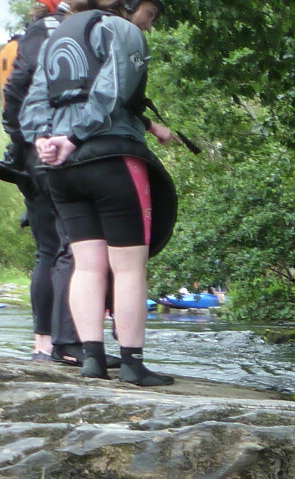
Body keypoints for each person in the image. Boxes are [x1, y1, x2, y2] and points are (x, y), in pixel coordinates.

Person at [21, 0, 180, 386]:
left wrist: (45, 139)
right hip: (112, 159)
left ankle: (92, 358)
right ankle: (132, 364)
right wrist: (75, 137)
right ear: (128, 6)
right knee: (128, 266)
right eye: (150, 16)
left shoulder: (60, 34)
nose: (150, 25)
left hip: (60, 168)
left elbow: (34, 102)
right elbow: (113, 89)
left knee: (88, 265)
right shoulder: (123, 32)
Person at [3, 0, 82, 366]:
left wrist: (20, 146)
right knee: (62, 248)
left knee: (51, 249)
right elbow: (18, 88)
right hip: (49, 151)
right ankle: (54, 344)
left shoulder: (36, 31)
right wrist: (27, 141)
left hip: (32, 152)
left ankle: (47, 344)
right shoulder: (56, 27)